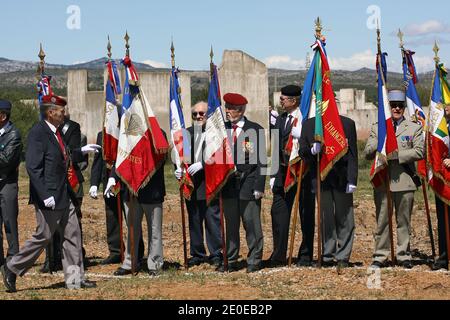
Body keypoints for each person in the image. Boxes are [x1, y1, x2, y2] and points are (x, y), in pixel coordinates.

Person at [1, 95, 100, 292]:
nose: (64, 114)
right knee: (43, 236)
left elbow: (63, 154)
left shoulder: (55, 132)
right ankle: (12, 267)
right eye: (61, 111)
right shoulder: (38, 133)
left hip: (64, 193)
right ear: (51, 112)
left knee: (73, 235)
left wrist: (81, 150)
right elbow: (33, 167)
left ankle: (74, 279)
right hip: (49, 196)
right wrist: (45, 194)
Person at [364, 89, 424, 269]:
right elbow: (367, 152)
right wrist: (379, 141)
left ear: (404, 107)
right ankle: (380, 256)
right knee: (382, 221)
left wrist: (397, 155)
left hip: (405, 182)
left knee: (403, 222)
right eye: (393, 105)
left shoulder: (414, 127)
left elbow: (420, 151)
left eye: (400, 105)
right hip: (383, 182)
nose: (396, 108)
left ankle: (403, 255)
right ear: (387, 107)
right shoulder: (377, 127)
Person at [216, 93, 266, 273]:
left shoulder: (255, 129)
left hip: (248, 184)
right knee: (231, 225)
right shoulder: (222, 129)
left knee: (251, 223)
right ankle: (230, 259)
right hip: (228, 185)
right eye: (226, 107)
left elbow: (261, 160)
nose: (227, 111)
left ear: (241, 110)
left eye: (230, 108)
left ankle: (254, 259)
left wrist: (259, 186)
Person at [299, 115, 358, 269]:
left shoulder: (347, 123)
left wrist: (352, 179)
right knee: (325, 219)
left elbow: (352, 154)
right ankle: (327, 253)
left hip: (342, 178)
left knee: (345, 218)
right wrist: (312, 150)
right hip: (320, 178)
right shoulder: (310, 124)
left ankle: (343, 256)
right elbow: (302, 152)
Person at [269, 85, 315, 267]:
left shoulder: (306, 119)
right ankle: (279, 255)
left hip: (303, 171)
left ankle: (305, 255)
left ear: (294, 101)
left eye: (283, 98)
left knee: (305, 214)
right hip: (282, 171)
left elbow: (314, 145)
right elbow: (274, 146)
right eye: (281, 98)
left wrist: (303, 134)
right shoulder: (280, 119)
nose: (281, 101)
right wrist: (272, 174)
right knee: (278, 213)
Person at [105, 139, 167, 277]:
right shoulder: (127, 136)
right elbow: (120, 158)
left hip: (152, 190)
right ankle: (130, 263)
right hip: (131, 191)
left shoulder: (157, 132)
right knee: (132, 230)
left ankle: (155, 263)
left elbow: (162, 155)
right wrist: (113, 177)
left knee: (155, 230)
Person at [174, 101, 222, 267]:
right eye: (195, 114)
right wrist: (178, 170)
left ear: (208, 114)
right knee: (194, 220)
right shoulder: (186, 133)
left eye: (201, 113)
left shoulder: (216, 133)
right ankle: (197, 253)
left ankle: (216, 252)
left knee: (212, 220)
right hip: (192, 184)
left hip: (209, 183)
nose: (198, 116)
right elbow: (180, 156)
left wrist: (203, 163)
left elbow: (221, 155)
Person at [41, 115, 88, 273]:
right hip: (53, 183)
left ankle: (76, 258)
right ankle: (51, 259)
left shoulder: (72, 127)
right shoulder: (44, 129)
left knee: (73, 224)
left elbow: (73, 152)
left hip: (71, 179)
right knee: (50, 224)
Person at [89, 131, 123, 265]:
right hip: (108, 181)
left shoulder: (127, 132)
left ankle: (136, 252)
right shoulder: (102, 135)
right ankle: (116, 251)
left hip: (126, 181)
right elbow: (98, 161)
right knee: (112, 216)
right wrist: (94, 183)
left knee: (131, 218)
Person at [0, 100, 23, 269]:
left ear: (2, 116)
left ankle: (13, 259)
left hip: (7, 184)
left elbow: (6, 160)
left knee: (9, 223)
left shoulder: (13, 134)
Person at [431, 102, 450, 271]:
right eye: (444, 103)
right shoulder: (437, 127)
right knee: (443, 220)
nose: (447, 106)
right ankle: (444, 256)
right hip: (441, 180)